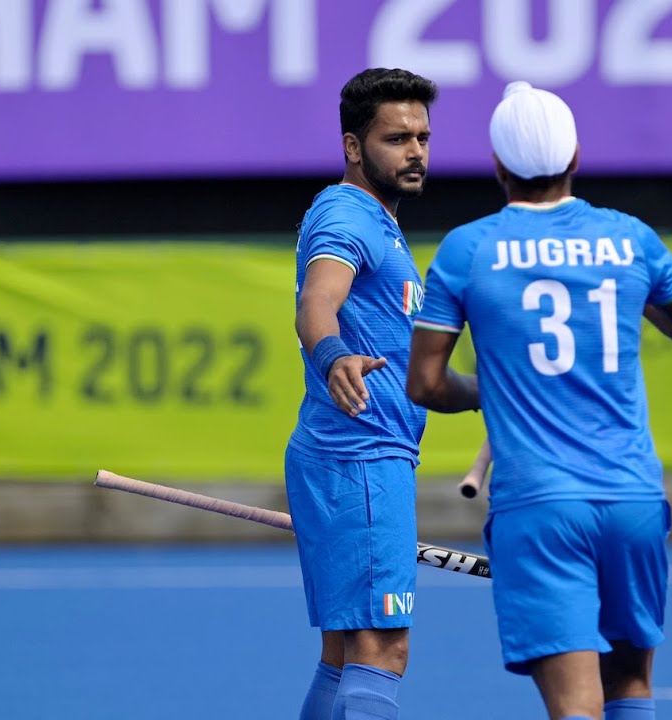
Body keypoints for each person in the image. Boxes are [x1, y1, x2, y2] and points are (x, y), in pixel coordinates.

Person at [406, 81, 672, 720]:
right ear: (576, 154)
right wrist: (638, 303)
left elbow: (425, 385)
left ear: (497, 166)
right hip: (632, 498)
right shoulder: (631, 239)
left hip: (541, 509)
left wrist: (482, 393)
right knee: (631, 687)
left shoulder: (469, 248)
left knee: (576, 708)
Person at [284, 67, 439, 720]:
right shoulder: (346, 217)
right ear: (354, 146)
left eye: (423, 137)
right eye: (397, 137)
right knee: (383, 650)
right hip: (362, 462)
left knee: (346, 653)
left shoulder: (374, 220)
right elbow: (318, 300)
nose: (416, 152)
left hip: (347, 459)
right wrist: (333, 352)